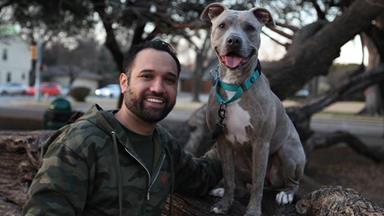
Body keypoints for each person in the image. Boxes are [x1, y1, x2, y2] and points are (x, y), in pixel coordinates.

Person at [23, 39, 222, 216]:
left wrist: (232, 143)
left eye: (169, 80)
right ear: (124, 83)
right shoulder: (80, 143)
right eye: (147, 76)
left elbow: (201, 177)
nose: (158, 88)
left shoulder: (164, 146)